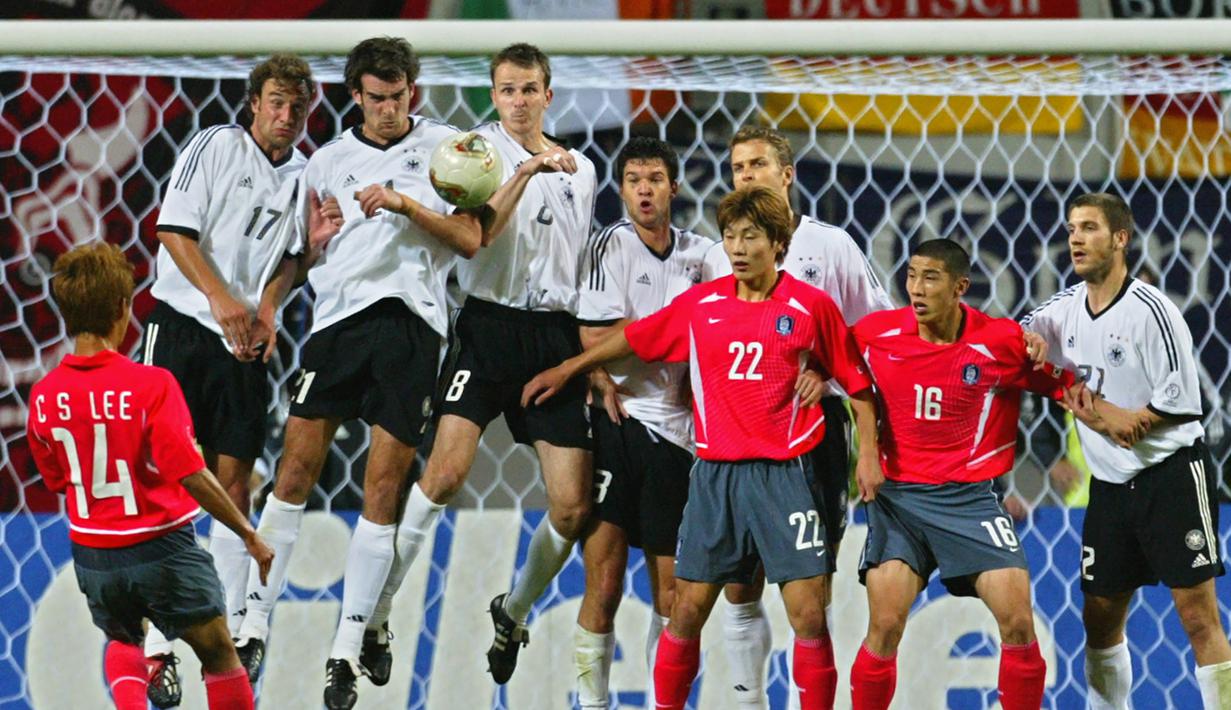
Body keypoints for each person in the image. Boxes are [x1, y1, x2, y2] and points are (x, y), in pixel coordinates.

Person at [523, 186, 883, 710]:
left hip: (786, 476)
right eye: (730, 236)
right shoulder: (702, 304)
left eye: (751, 237)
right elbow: (638, 337)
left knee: (808, 613)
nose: (737, 248)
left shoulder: (812, 307)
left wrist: (865, 448)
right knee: (685, 608)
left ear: (778, 244)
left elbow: (857, 381)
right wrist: (569, 369)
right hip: (714, 477)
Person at [229, 36, 485, 710]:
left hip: (412, 324)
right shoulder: (325, 163)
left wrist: (406, 205)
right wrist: (292, 278)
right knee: (292, 472)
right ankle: (254, 622)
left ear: (412, 92)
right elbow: (301, 254)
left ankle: (346, 649)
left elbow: (469, 238)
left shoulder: (447, 149)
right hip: (336, 327)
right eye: (376, 99)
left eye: (399, 97)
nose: (388, 110)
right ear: (355, 97)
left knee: (382, 486)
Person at [373, 42, 599, 686]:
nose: (520, 101)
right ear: (493, 96)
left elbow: (576, 270)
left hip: (554, 338)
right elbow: (476, 238)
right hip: (486, 327)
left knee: (570, 506)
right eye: (507, 89)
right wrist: (525, 171)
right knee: (444, 475)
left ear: (549, 95)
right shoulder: (470, 153)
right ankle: (381, 606)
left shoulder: (580, 168)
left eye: (530, 89)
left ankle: (515, 609)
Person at [138, 53, 333, 705]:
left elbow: (291, 260)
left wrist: (270, 305)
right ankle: (156, 648)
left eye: (298, 107)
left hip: (245, 343)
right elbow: (172, 230)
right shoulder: (216, 145)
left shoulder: (306, 174)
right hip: (186, 326)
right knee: (165, 479)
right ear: (253, 102)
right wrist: (222, 299)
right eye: (276, 102)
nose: (286, 117)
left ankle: (215, 630)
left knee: (231, 484)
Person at [25, 242, 275, 710]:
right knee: (220, 653)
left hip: (94, 552)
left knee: (122, 639)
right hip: (160, 544)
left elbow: (59, 480)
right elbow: (191, 474)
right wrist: (247, 533)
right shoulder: (150, 383)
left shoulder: (43, 395)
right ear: (122, 308)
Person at [702, 125, 893, 708]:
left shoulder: (830, 246)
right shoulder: (716, 255)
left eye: (758, 164)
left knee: (812, 583)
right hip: (738, 440)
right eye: (738, 167)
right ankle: (747, 700)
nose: (747, 175)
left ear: (786, 175)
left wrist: (828, 373)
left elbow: (874, 328)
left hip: (813, 436)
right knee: (740, 581)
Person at [1021, 192, 1231, 710]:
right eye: (1071, 228)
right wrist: (1029, 344)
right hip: (1110, 488)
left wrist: (1106, 416)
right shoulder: (1064, 309)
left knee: (1198, 615)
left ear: (1120, 239)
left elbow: (1179, 408)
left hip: (1172, 476)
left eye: (1089, 227)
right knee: (1100, 617)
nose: (1075, 238)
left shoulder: (1152, 311)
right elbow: (1020, 333)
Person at [849, 238, 1065, 710]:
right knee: (884, 626)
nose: (916, 289)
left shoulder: (1001, 341)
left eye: (930, 278)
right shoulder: (874, 334)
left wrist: (1105, 411)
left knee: (1018, 622)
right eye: (910, 276)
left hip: (969, 499)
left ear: (960, 286)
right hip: (900, 499)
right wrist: (866, 449)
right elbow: (848, 377)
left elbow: (1058, 383)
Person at [571, 137, 711, 707]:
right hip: (619, 424)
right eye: (633, 180)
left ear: (674, 186)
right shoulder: (611, 245)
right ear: (621, 188)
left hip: (679, 439)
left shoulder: (704, 255)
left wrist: (640, 341)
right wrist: (672, 342)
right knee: (602, 580)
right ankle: (591, 703)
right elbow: (595, 337)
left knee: (672, 593)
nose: (644, 189)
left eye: (654, 178)